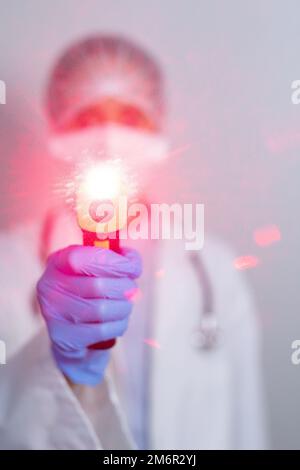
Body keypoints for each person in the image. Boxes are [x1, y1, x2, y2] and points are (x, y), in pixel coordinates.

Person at [0, 35, 267, 450]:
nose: (109, 137)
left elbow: (248, 430)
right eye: (86, 118)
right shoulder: (9, 264)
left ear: (159, 131)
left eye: (131, 116)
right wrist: (61, 365)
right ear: (56, 128)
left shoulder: (213, 270)